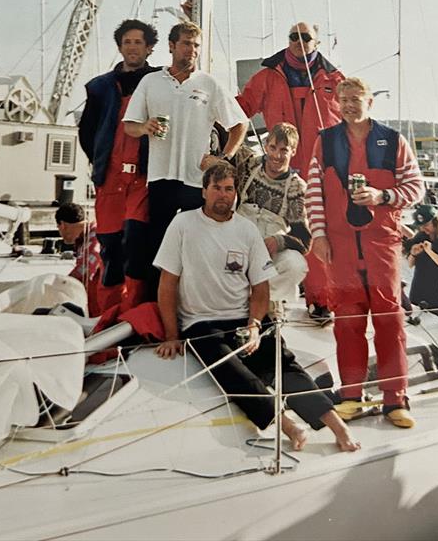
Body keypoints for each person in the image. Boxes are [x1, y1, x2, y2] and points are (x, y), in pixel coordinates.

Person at [154, 161, 360, 453]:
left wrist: (253, 325)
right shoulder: (183, 225)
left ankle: (338, 426)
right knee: (231, 370)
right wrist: (172, 335)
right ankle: (288, 426)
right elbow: (167, 283)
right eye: (216, 188)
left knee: (283, 362)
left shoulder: (246, 230)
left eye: (229, 189)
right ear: (204, 191)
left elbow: (260, 288)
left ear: (237, 193)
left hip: (243, 319)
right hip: (201, 323)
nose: (223, 195)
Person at [306, 77, 424, 428]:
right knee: (347, 322)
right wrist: (319, 235)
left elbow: (416, 187)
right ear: (337, 103)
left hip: (381, 244)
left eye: (356, 99)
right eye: (344, 99)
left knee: (390, 320)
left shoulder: (392, 141)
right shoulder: (324, 142)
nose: (349, 105)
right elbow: (315, 192)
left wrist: (382, 196)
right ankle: (351, 397)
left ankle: (395, 400)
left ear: (369, 101)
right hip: (339, 247)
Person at [123, 21, 247, 297]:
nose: (191, 50)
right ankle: (156, 310)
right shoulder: (151, 81)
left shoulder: (209, 84)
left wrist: (222, 158)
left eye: (196, 45)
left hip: (196, 181)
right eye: (186, 44)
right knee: (160, 246)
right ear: (171, 46)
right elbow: (129, 125)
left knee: (199, 245)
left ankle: (197, 305)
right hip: (161, 178)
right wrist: (145, 127)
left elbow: (239, 124)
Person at [236, 22, 344, 325]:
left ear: (317, 42)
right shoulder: (269, 75)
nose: (298, 41)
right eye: (293, 36)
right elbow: (241, 107)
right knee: (269, 236)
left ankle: (321, 301)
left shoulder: (334, 79)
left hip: (318, 171)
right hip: (279, 166)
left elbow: (351, 123)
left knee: (317, 235)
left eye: (305, 37)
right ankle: (260, 301)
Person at [78, 19, 161, 313]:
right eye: (127, 42)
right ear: (120, 46)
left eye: (138, 42)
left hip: (142, 179)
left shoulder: (160, 81)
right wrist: (100, 161)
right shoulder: (100, 87)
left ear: (150, 48)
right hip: (109, 180)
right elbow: (87, 132)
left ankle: (135, 313)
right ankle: (108, 315)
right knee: (110, 249)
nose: (132, 47)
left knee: (136, 245)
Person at [233, 122, 310, 320]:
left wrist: (279, 241)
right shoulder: (248, 165)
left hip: (268, 255)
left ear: (293, 151)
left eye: (284, 150)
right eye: (273, 147)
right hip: (236, 245)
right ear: (266, 145)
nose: (276, 155)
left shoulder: (296, 187)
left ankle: (265, 299)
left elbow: (304, 240)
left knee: (296, 264)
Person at [405, 204, 438, 318]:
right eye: (420, 226)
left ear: (436, 222)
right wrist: (413, 254)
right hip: (417, 295)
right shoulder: (421, 236)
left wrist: (430, 252)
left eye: (426, 225)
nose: (423, 229)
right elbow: (410, 265)